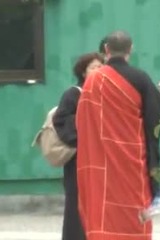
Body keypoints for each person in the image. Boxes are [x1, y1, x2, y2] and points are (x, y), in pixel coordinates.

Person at [76, 30, 160, 240]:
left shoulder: (92, 82)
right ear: (130, 50)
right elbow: (156, 121)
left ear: (106, 50)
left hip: (101, 166)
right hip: (133, 166)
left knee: (103, 219)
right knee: (134, 220)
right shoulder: (140, 78)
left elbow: (83, 125)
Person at [53, 52, 104, 240]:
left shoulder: (106, 93)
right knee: (76, 205)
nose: (98, 71)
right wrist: (83, 133)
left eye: (101, 67)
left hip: (101, 159)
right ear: (83, 72)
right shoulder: (73, 94)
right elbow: (60, 120)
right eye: (93, 68)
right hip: (78, 160)